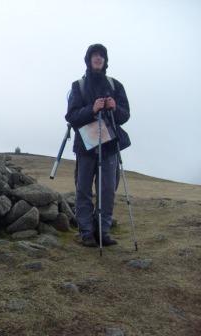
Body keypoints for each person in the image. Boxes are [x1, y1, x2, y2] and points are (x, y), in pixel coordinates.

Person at [65, 44, 130, 247]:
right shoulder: (78, 86)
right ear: (88, 59)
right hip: (85, 147)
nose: (98, 58)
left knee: (108, 190)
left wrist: (114, 107)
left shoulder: (116, 86)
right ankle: (86, 232)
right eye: (94, 55)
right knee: (83, 189)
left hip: (110, 147)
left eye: (102, 55)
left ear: (105, 60)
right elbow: (72, 117)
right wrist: (91, 109)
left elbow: (125, 115)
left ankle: (103, 231)